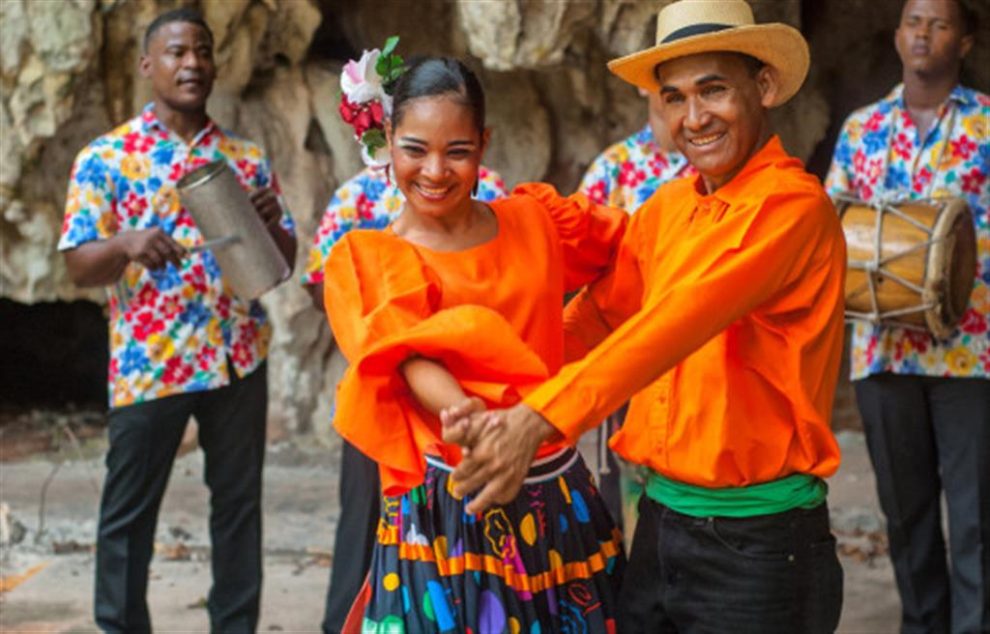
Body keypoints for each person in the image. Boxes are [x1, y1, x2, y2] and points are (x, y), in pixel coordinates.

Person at [444, 1, 847, 631]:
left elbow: (677, 322)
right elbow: (599, 318)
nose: (695, 118)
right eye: (675, 97)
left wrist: (537, 420)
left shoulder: (792, 208)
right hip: (658, 522)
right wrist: (499, 399)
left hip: (761, 542)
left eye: (713, 90)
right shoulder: (668, 207)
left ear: (763, 86)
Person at [322, 57, 627, 632]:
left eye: (458, 150)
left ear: (485, 143)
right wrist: (467, 417)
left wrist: (585, 333)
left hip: (556, 492)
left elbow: (629, 253)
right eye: (415, 149)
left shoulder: (539, 222)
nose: (435, 170)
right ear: (386, 140)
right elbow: (409, 354)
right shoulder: (371, 260)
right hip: (448, 505)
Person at [58, 9, 296, 632]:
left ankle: (235, 625)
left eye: (203, 52)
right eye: (176, 52)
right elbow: (80, 266)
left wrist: (269, 223)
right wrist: (124, 244)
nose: (192, 63)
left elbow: (283, 265)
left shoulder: (243, 158)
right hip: (150, 360)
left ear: (215, 64)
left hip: (237, 356)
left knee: (238, 508)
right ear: (147, 65)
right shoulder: (106, 158)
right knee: (129, 514)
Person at [825, 1, 988, 631]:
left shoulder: (987, 127)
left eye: (939, 23)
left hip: (973, 349)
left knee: (975, 518)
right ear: (896, 35)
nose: (923, 33)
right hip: (880, 347)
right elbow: (833, 228)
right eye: (914, 21)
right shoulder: (862, 128)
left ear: (965, 41)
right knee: (906, 515)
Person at [302, 166, 507, 634]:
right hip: (381, 390)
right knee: (364, 516)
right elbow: (321, 284)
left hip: (464, 399)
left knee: (468, 519)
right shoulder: (358, 197)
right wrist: (383, 317)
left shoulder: (490, 192)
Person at [578, 87, 695, 536]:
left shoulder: (718, 168)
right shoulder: (613, 168)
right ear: (646, 86)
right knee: (623, 497)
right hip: (630, 359)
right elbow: (583, 270)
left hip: (703, 361)